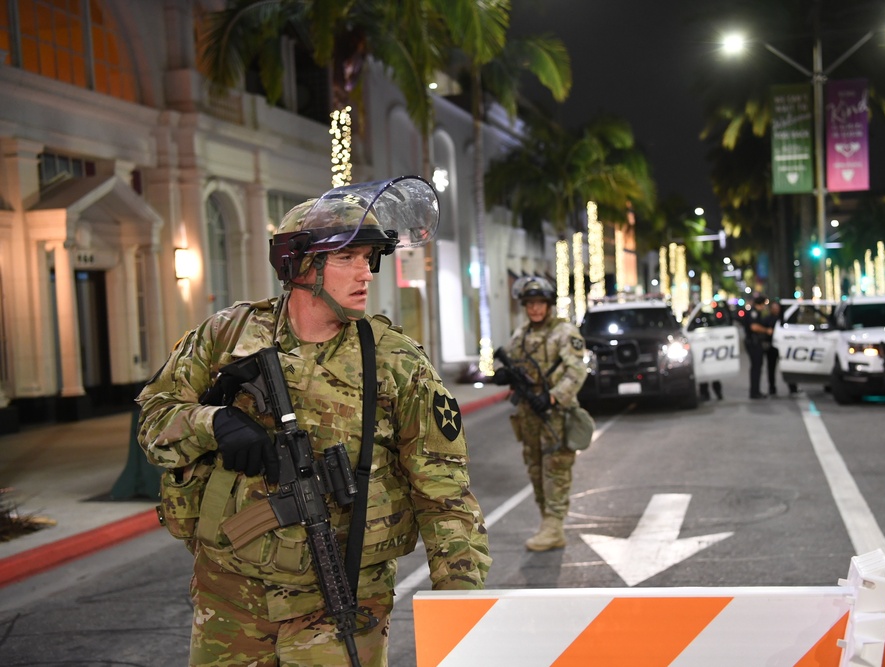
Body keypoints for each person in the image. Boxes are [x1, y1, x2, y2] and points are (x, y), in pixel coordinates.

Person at [136, 177, 491, 666]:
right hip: (229, 595)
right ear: (301, 263)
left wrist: (461, 605)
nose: (366, 274)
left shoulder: (395, 362)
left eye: (369, 259)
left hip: (343, 598)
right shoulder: (227, 335)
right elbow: (154, 420)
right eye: (347, 258)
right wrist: (212, 423)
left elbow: (445, 493)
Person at [492, 276, 587, 551]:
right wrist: (503, 376)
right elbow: (513, 362)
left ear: (549, 305)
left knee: (555, 468)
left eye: (540, 303)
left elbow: (577, 371)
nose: (535, 309)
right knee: (535, 468)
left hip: (554, 413)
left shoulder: (564, 332)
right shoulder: (521, 334)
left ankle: (554, 525)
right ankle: (547, 521)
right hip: (528, 413)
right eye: (530, 304)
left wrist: (553, 396)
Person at [764, 299, 798, 395]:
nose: (775, 310)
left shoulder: (784, 319)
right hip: (772, 347)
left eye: (777, 308)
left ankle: (792, 387)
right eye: (773, 308)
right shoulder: (767, 319)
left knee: (788, 366)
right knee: (771, 368)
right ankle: (772, 388)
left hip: (784, 347)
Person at [745, 295, 772, 399]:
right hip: (753, 343)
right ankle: (754, 392)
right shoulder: (753, 313)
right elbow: (754, 327)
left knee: (757, 367)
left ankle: (755, 391)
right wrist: (766, 330)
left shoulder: (757, 313)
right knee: (756, 367)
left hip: (755, 343)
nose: (765, 307)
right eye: (764, 304)